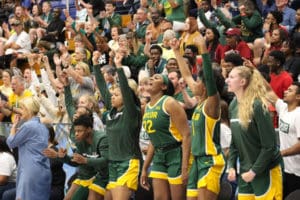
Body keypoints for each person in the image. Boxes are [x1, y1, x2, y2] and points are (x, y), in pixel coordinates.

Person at [171, 34, 226, 200]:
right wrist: (176, 52)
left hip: (210, 162)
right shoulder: (199, 102)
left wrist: (203, 50)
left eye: (199, 80)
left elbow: (209, 78)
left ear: (206, 85)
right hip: (196, 161)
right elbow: (187, 75)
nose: (193, 82)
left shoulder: (212, 103)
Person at [225, 66, 283, 199]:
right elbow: (234, 142)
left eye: (232, 77)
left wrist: (254, 171)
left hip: (265, 170)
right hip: (246, 170)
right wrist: (232, 165)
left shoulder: (258, 106)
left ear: (242, 82)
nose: (227, 80)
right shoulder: (233, 105)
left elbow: (269, 146)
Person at [93, 52, 142, 200]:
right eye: (112, 94)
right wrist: (95, 64)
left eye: (117, 95)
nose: (112, 96)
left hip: (128, 162)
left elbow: (126, 92)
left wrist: (119, 67)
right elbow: (102, 88)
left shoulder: (132, 112)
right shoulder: (110, 112)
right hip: (113, 163)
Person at [140, 64, 191, 199]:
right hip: (159, 155)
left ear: (163, 86)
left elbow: (186, 135)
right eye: (150, 77)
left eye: (156, 78)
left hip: (176, 153)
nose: (151, 79)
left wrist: (185, 167)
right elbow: (153, 139)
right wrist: (145, 168)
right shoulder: (147, 108)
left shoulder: (170, 103)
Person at [44, 114, 109, 200]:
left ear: (89, 129)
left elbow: (106, 160)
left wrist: (85, 160)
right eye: (75, 131)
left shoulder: (102, 139)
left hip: (104, 176)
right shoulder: (80, 141)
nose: (76, 134)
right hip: (85, 176)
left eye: (79, 131)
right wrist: (59, 156)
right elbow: (75, 162)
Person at [6, 97, 51, 200]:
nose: (21, 112)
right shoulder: (43, 127)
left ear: (28, 110)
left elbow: (11, 143)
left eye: (22, 108)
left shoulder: (28, 126)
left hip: (30, 171)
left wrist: (14, 126)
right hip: (43, 169)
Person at [268, 82, 300, 198]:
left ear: (298, 96)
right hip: (284, 168)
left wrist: (281, 153)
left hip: (297, 172)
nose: (285, 91)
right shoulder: (283, 108)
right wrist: (254, 71)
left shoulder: (298, 115)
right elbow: (268, 91)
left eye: (290, 90)